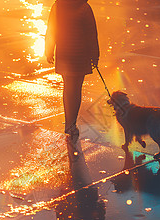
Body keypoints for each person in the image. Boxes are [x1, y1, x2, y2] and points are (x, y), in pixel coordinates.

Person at [45, 0, 99, 143]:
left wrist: (49, 50)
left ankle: (68, 121)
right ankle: (72, 123)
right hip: (80, 52)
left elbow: (51, 29)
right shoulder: (84, 7)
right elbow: (91, 33)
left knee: (68, 88)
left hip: (64, 51)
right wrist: (95, 54)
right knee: (76, 89)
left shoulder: (58, 6)